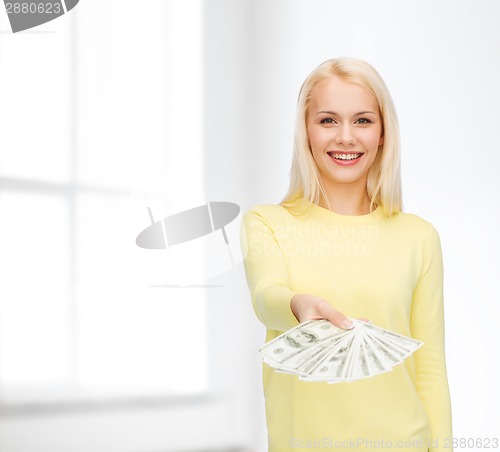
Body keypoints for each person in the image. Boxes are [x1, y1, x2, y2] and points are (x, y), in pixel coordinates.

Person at [240, 57, 452, 451]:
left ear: (383, 133)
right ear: (306, 131)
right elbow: (266, 296)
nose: (346, 137)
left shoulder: (418, 237)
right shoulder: (267, 222)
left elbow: (430, 370)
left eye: (363, 120)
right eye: (328, 120)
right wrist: (296, 305)